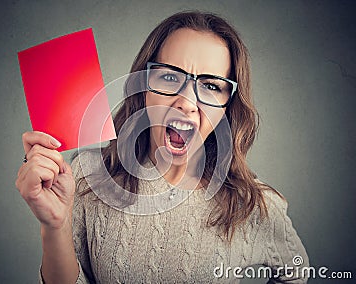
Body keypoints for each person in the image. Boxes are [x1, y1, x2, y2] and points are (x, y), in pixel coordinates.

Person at [15, 11, 309, 283]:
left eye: (211, 85)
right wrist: (54, 227)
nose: (186, 102)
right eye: (169, 77)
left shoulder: (253, 204)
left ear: (227, 106)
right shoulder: (86, 176)